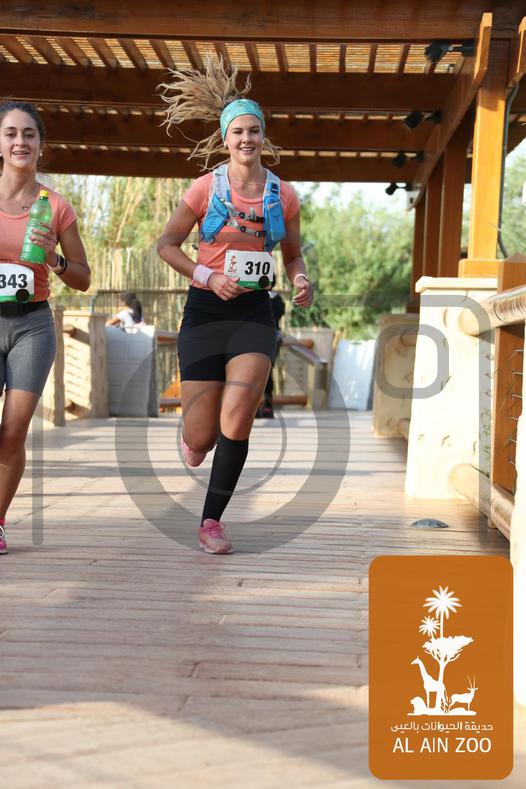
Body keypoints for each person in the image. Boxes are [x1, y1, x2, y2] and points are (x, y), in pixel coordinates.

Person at [157, 57, 313, 555]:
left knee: (239, 415)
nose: (247, 139)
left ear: (264, 136)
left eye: (254, 130)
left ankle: (211, 521)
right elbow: (166, 245)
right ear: (225, 139)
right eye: (238, 132)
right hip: (205, 311)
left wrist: (300, 278)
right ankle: (195, 440)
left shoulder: (284, 196)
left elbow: (292, 255)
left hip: (253, 314)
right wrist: (208, 276)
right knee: (203, 434)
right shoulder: (206, 187)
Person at [0, 101, 91, 555]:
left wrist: (54, 258)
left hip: (33, 326)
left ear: (41, 144)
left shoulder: (54, 206)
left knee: (13, 432)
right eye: (11, 133)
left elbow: (83, 277)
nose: (20, 142)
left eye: (29, 134)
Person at [255, 290, 285, 419]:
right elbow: (280, 313)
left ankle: (256, 407)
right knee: (267, 372)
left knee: (255, 373)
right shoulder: (277, 299)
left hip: (257, 336)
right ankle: (267, 407)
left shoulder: (256, 296)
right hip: (273, 337)